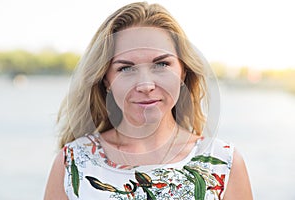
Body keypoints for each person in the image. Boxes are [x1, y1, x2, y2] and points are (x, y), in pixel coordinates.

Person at [44, 2, 252, 200]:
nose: (145, 85)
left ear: (183, 72)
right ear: (106, 79)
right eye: (126, 68)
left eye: (161, 64)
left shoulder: (224, 163)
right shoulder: (71, 162)